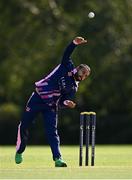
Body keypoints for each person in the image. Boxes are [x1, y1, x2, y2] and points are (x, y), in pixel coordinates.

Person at [15, 36, 91, 167]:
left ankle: (58, 159)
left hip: (51, 106)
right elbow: (67, 53)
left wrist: (66, 103)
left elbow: (63, 101)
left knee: (52, 132)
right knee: (24, 125)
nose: (83, 76)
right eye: (83, 72)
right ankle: (20, 151)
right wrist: (74, 44)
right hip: (37, 98)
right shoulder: (66, 65)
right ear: (78, 68)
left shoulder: (74, 87)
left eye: (86, 76)